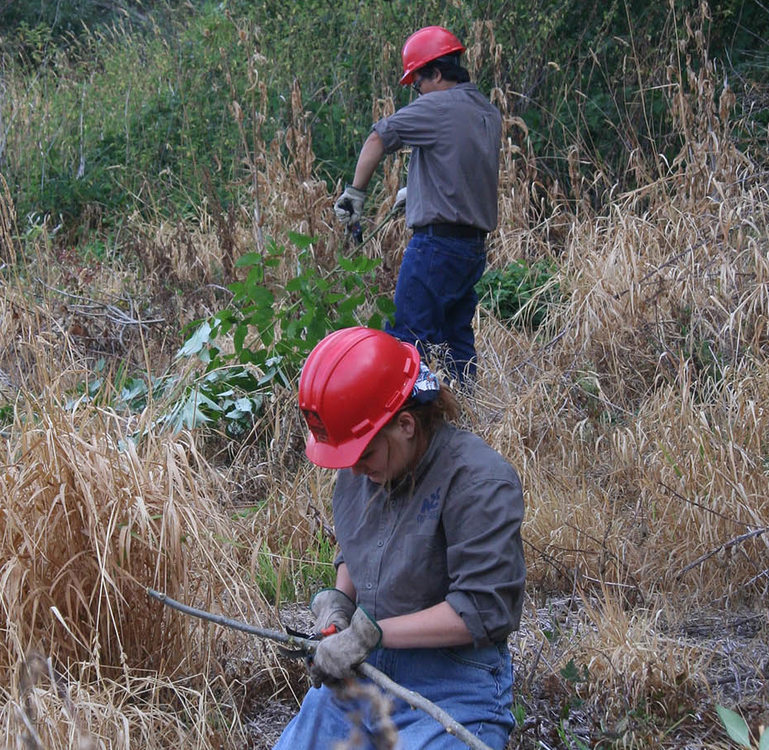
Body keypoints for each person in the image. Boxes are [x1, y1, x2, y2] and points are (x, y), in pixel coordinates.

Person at [273, 326, 525, 749]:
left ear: (406, 424)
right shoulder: (368, 465)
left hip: (455, 685)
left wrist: (369, 634)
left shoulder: (479, 481)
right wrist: (340, 602)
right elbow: (360, 541)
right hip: (367, 670)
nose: (353, 470)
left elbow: (481, 608)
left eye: (363, 454)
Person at [333, 27, 501, 384]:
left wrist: (355, 196)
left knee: (406, 341)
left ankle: (404, 425)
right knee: (456, 340)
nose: (417, 93)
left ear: (437, 74)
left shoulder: (438, 105)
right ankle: (465, 414)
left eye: (417, 83)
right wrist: (421, 190)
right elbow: (463, 163)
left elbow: (379, 137)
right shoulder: (486, 111)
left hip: (436, 248)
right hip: (471, 251)